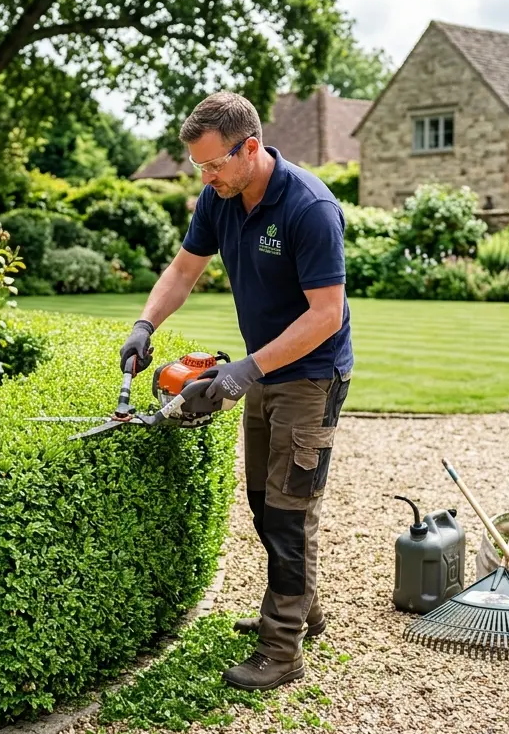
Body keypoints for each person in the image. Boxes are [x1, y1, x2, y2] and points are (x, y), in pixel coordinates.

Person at [119, 91, 354, 691]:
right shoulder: (218, 199)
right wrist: (147, 324)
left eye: (214, 163)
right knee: (263, 502)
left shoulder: (309, 208)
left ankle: (282, 651)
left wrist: (246, 370)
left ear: (250, 148)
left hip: (311, 373)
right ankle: (302, 608)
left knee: (289, 511)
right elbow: (182, 271)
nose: (206, 176)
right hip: (262, 372)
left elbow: (326, 314)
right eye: (199, 166)